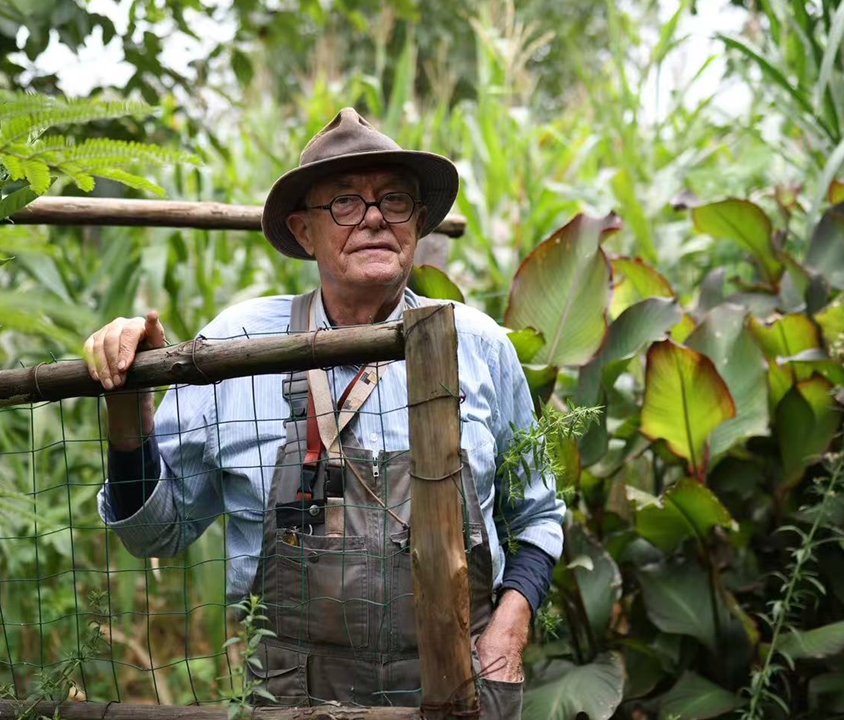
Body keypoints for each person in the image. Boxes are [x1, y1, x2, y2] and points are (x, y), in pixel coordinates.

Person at [83, 108, 565, 719]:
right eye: (343, 202)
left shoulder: (479, 344)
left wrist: (510, 628)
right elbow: (155, 532)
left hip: (461, 684)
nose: (372, 218)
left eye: (394, 200)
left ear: (417, 223)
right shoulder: (234, 349)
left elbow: (540, 512)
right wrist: (128, 408)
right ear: (303, 232)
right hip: (295, 694)